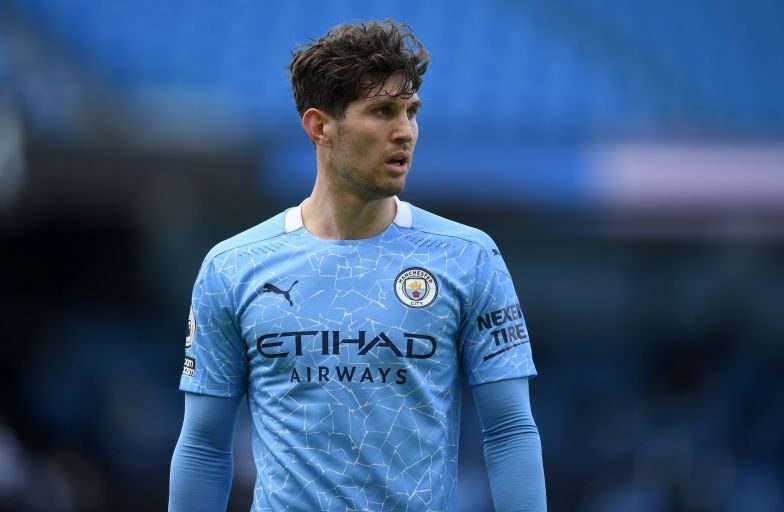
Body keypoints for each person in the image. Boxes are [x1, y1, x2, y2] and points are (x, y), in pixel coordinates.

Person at [169, 19, 546, 512]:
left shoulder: (469, 258)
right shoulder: (233, 267)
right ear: (319, 126)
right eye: (383, 111)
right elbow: (203, 445)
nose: (405, 132)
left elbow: (510, 429)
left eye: (412, 111)